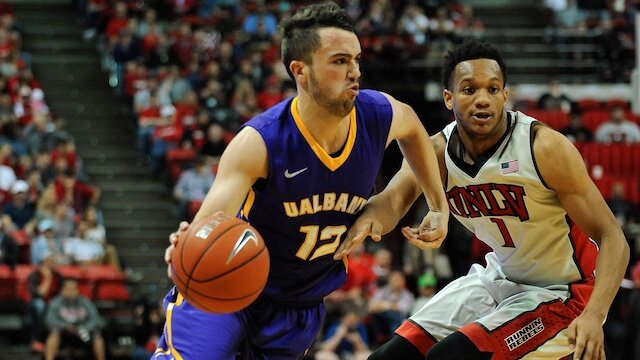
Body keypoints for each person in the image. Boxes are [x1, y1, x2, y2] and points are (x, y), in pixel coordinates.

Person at [155, 2, 449, 359]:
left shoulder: (378, 114)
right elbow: (211, 223)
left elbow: (416, 130)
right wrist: (188, 247)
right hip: (228, 287)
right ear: (301, 71)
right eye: (340, 61)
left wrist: (438, 205)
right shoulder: (260, 142)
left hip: (300, 306)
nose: (354, 71)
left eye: (356, 60)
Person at [337, 39, 629, 359]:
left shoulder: (543, 148)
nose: (482, 100)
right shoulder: (436, 152)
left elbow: (613, 237)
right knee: (388, 357)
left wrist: (594, 316)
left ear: (505, 95)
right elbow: (392, 201)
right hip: (496, 279)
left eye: (492, 89)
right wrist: (362, 219)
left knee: (450, 357)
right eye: (469, 89)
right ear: (449, 98)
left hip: (564, 293)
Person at [44, 279, 105, 360]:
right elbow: (50, 320)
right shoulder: (55, 302)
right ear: (62, 291)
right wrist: (66, 326)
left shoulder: (85, 302)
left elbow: (96, 319)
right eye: (68, 289)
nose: (71, 292)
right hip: (64, 332)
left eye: (73, 289)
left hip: (83, 331)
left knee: (97, 336)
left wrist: (85, 327)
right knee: (53, 334)